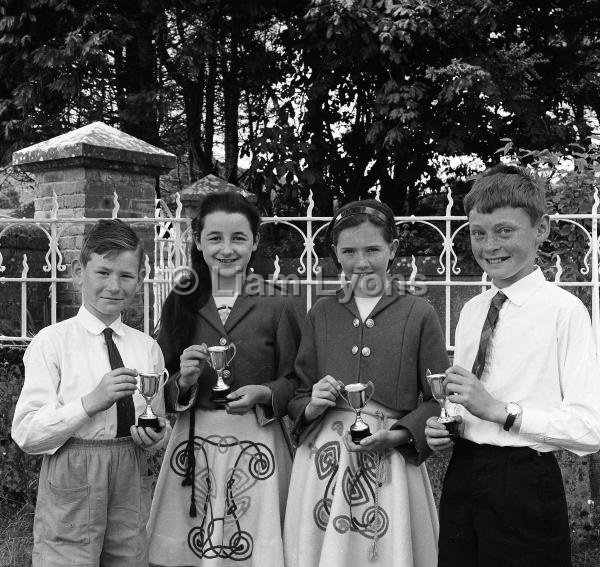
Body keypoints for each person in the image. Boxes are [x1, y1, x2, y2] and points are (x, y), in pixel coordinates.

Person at [425, 164, 600, 567]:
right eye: (477, 233)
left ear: (541, 229)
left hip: (526, 482)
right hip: (464, 473)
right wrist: (448, 425)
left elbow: (589, 429)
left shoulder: (564, 312)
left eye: (505, 231)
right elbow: (468, 401)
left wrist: (501, 412)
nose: (489, 246)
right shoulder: (472, 310)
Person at [284, 199, 449, 567]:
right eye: (349, 251)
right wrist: (312, 403)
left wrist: (401, 434)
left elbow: (438, 399)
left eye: (373, 249)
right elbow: (298, 392)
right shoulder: (321, 313)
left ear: (392, 250)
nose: (362, 261)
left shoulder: (418, 313)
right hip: (327, 457)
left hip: (392, 453)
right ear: (335, 255)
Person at [147, 191, 301, 566]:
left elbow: (298, 381)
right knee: (194, 548)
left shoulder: (278, 304)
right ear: (198, 241)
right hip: (193, 440)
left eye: (238, 238)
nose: (226, 249)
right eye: (215, 238)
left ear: (255, 242)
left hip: (259, 439)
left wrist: (265, 392)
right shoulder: (180, 303)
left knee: (254, 546)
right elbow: (158, 383)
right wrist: (182, 382)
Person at [12, 219, 169, 567]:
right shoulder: (51, 343)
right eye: (103, 272)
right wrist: (88, 404)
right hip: (72, 471)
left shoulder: (147, 349)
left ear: (139, 280)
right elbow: (27, 433)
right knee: (67, 558)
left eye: (126, 276)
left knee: (130, 558)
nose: (114, 286)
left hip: (130, 472)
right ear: (79, 272)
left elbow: (157, 422)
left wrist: (154, 435)